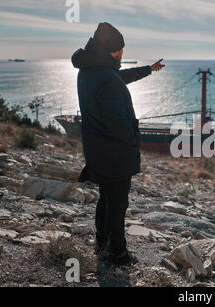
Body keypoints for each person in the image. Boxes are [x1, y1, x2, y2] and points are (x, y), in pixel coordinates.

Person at [71, 22, 165, 266]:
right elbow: (117, 123)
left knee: (106, 198)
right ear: (110, 50)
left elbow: (118, 77)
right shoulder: (107, 77)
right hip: (115, 153)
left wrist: (148, 70)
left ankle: (101, 242)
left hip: (97, 151)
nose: (122, 53)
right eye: (120, 49)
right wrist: (135, 138)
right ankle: (118, 254)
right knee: (118, 205)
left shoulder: (90, 70)